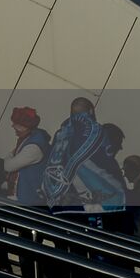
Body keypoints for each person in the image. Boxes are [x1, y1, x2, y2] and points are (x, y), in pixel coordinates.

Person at [41, 97, 127, 230]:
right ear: (91, 111)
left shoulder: (61, 133)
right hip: (85, 204)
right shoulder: (95, 129)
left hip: (60, 202)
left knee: (66, 239)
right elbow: (105, 161)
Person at [3, 106, 51, 207]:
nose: (13, 126)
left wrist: (10, 154)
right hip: (23, 197)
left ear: (23, 126)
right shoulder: (29, 138)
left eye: (15, 124)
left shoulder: (33, 147)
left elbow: (8, 166)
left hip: (26, 200)